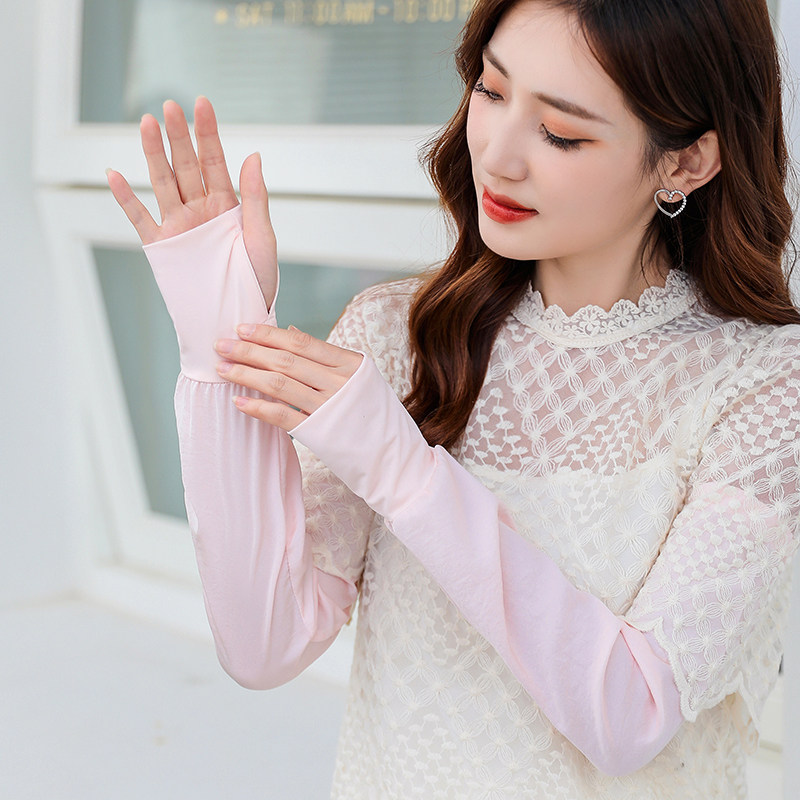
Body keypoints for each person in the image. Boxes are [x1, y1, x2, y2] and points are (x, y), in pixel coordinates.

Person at [107, 0, 800, 796]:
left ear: (686, 161)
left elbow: (631, 715)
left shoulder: (761, 384)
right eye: (491, 91)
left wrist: (401, 468)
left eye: (560, 133)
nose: (497, 156)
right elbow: (264, 644)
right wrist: (219, 344)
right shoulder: (392, 336)